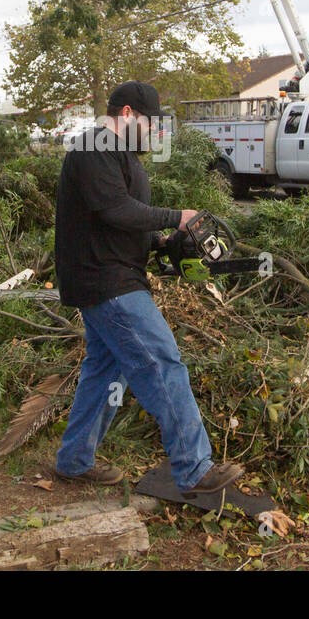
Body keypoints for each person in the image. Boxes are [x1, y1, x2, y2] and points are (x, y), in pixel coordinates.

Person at [52, 81, 245, 497]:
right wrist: (178, 217)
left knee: (105, 371)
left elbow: (118, 222)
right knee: (162, 361)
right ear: (126, 114)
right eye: (150, 122)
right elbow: (117, 210)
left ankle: (73, 461)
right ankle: (194, 470)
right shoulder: (93, 148)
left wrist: (162, 244)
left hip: (113, 276)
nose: (154, 132)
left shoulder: (122, 157)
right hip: (106, 281)